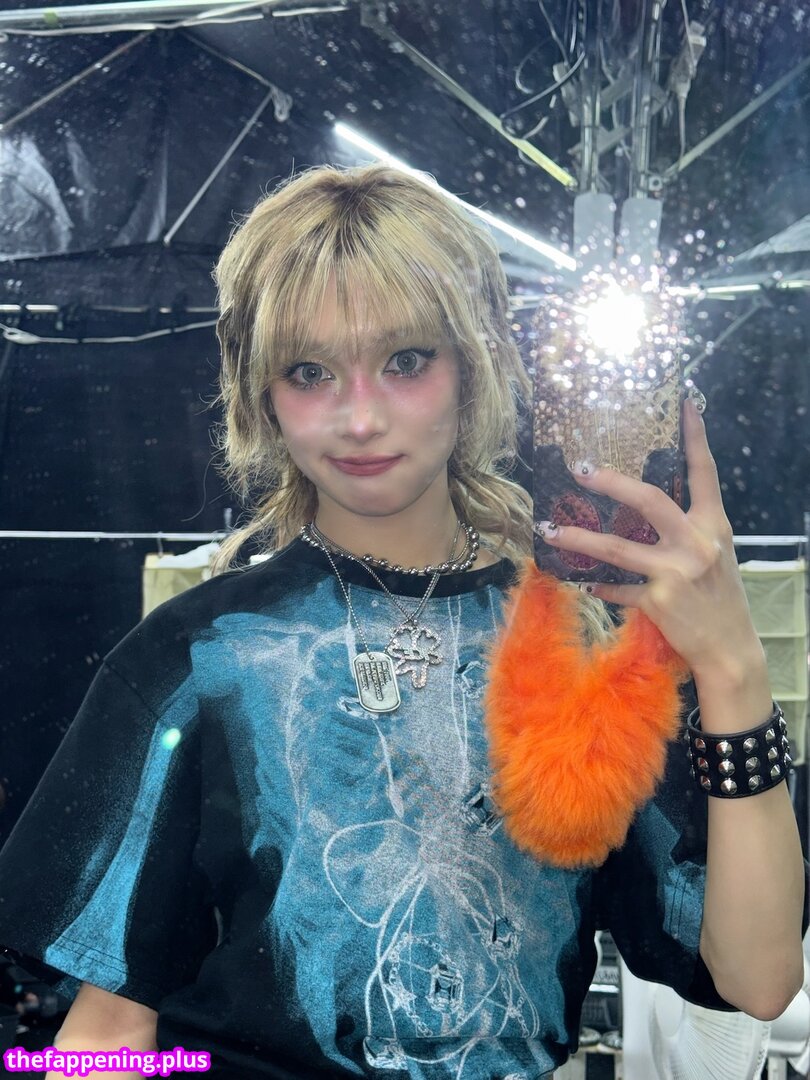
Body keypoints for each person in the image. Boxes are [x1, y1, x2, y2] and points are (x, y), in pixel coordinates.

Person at [0, 161, 807, 1080]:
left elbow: (760, 979)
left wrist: (734, 666)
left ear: (474, 365)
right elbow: (108, 1031)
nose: (359, 418)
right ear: (261, 392)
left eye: (406, 361)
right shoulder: (202, 659)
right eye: (309, 371)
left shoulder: (585, 648)